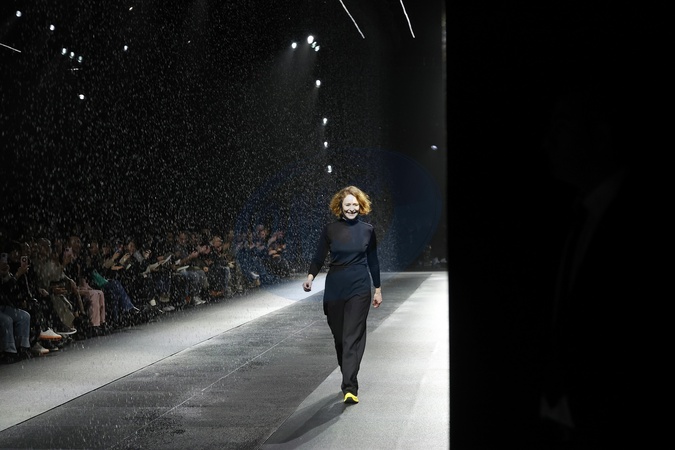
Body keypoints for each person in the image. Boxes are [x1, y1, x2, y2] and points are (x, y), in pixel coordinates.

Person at [302, 186, 382, 404]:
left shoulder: (368, 230)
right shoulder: (330, 230)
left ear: (360, 206)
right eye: (348, 205)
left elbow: (373, 261)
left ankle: (350, 387)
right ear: (340, 206)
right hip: (335, 287)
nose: (352, 208)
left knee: (351, 337)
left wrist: (377, 289)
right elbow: (319, 256)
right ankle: (347, 372)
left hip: (359, 287)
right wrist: (310, 277)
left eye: (355, 204)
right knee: (340, 339)